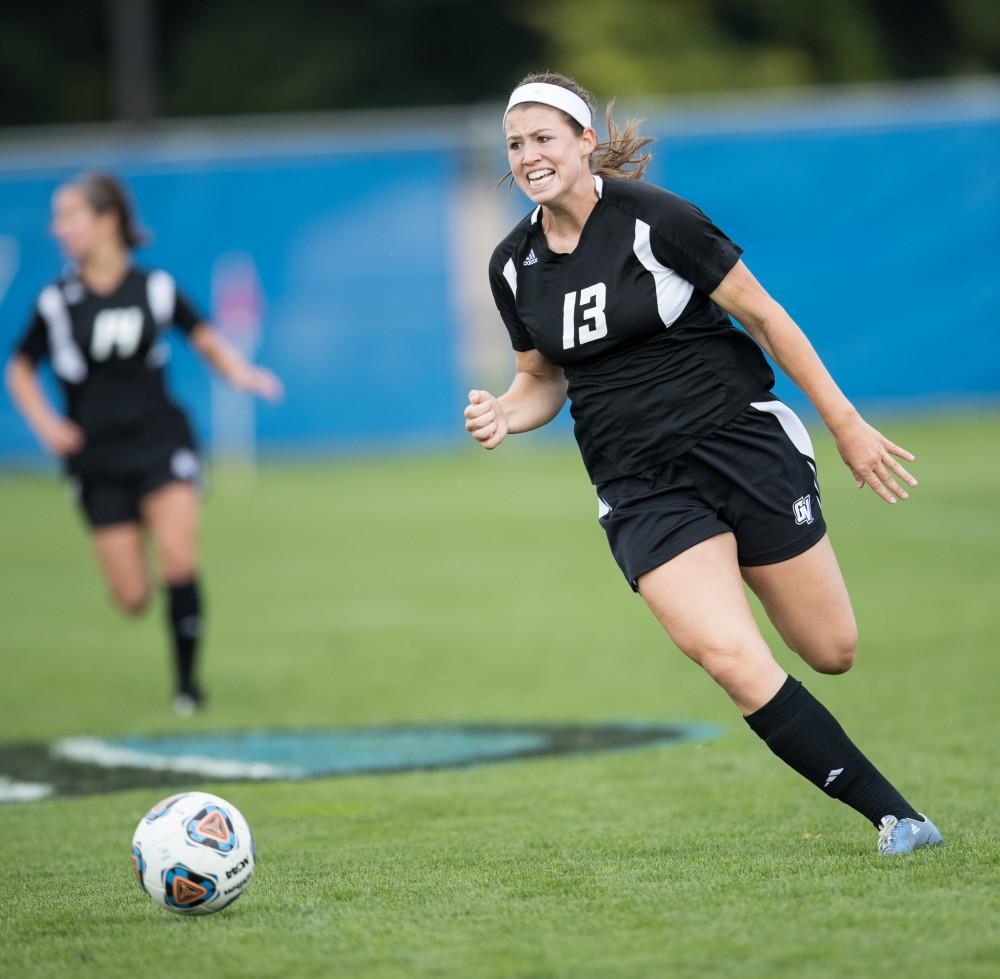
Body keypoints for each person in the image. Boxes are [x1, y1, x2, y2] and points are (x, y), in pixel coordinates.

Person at [464, 73, 942, 856]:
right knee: (726, 652)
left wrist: (847, 424)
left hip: (738, 446)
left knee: (831, 650)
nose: (528, 155)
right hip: (638, 484)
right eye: (515, 144)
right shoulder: (512, 265)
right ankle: (897, 817)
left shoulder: (658, 220)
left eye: (544, 137)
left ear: (586, 142)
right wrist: (503, 414)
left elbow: (765, 316)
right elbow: (541, 380)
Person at [5, 172, 282, 715]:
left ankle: (187, 689)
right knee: (132, 598)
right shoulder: (57, 301)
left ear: (107, 220)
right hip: (97, 459)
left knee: (179, 558)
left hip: (161, 439)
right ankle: (157, 595)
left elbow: (202, 335)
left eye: (69, 216)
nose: (58, 229)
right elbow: (19, 367)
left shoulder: (153, 287)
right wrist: (45, 424)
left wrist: (241, 373)